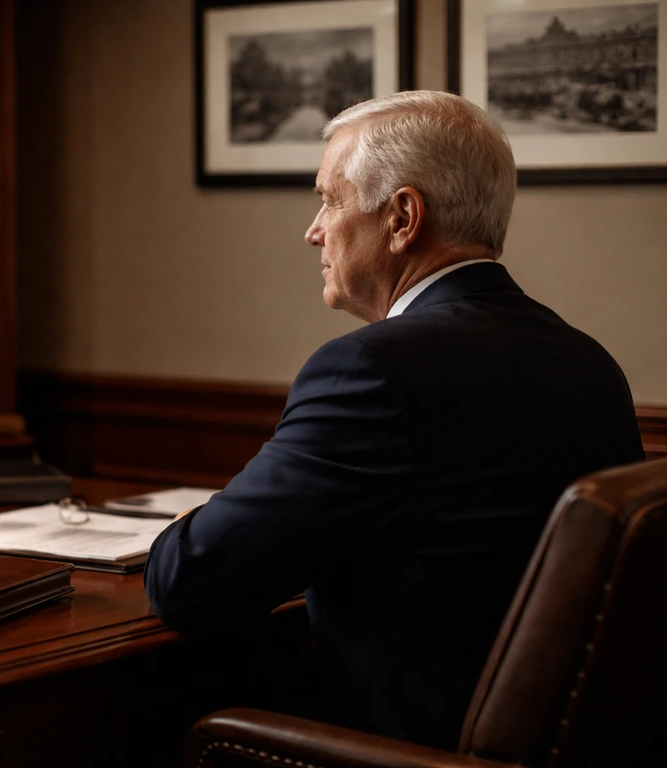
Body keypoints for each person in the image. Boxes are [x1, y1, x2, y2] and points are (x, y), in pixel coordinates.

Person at [143, 90, 644, 750]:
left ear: (403, 217)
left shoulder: (372, 371)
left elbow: (189, 581)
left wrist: (189, 523)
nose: (314, 229)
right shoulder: (589, 362)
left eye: (328, 198)